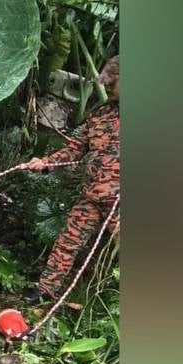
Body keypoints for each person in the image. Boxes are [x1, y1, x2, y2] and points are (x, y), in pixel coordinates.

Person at [24, 54, 120, 303]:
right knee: (68, 241)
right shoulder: (100, 115)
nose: (106, 86)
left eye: (113, 81)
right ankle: (46, 290)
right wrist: (44, 163)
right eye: (106, 81)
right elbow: (75, 149)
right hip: (93, 195)